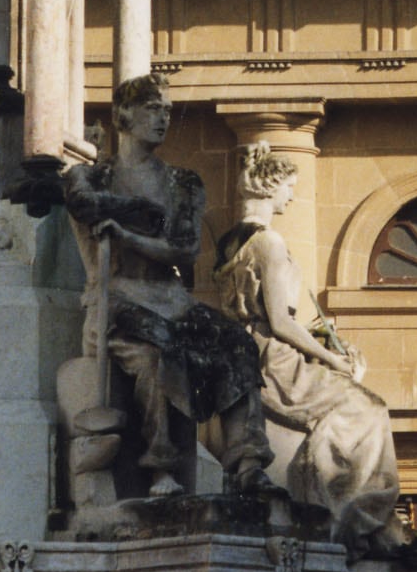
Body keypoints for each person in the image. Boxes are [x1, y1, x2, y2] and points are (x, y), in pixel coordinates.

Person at [63, 75, 272, 498]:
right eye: (152, 109)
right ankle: (160, 467)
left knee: (238, 343)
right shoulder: (89, 178)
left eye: (167, 111)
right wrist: (147, 217)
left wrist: (129, 232)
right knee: (159, 353)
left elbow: (183, 248)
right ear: (124, 115)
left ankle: (247, 462)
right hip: (117, 297)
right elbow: (84, 205)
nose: (163, 119)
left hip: (169, 297)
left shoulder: (183, 183)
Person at [209, 144, 417, 556]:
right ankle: (349, 515)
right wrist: (334, 360)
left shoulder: (230, 243)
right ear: (271, 187)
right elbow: (280, 321)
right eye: (289, 186)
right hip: (275, 361)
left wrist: (318, 342)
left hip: (251, 349)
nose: (291, 195)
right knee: (370, 408)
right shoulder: (268, 242)